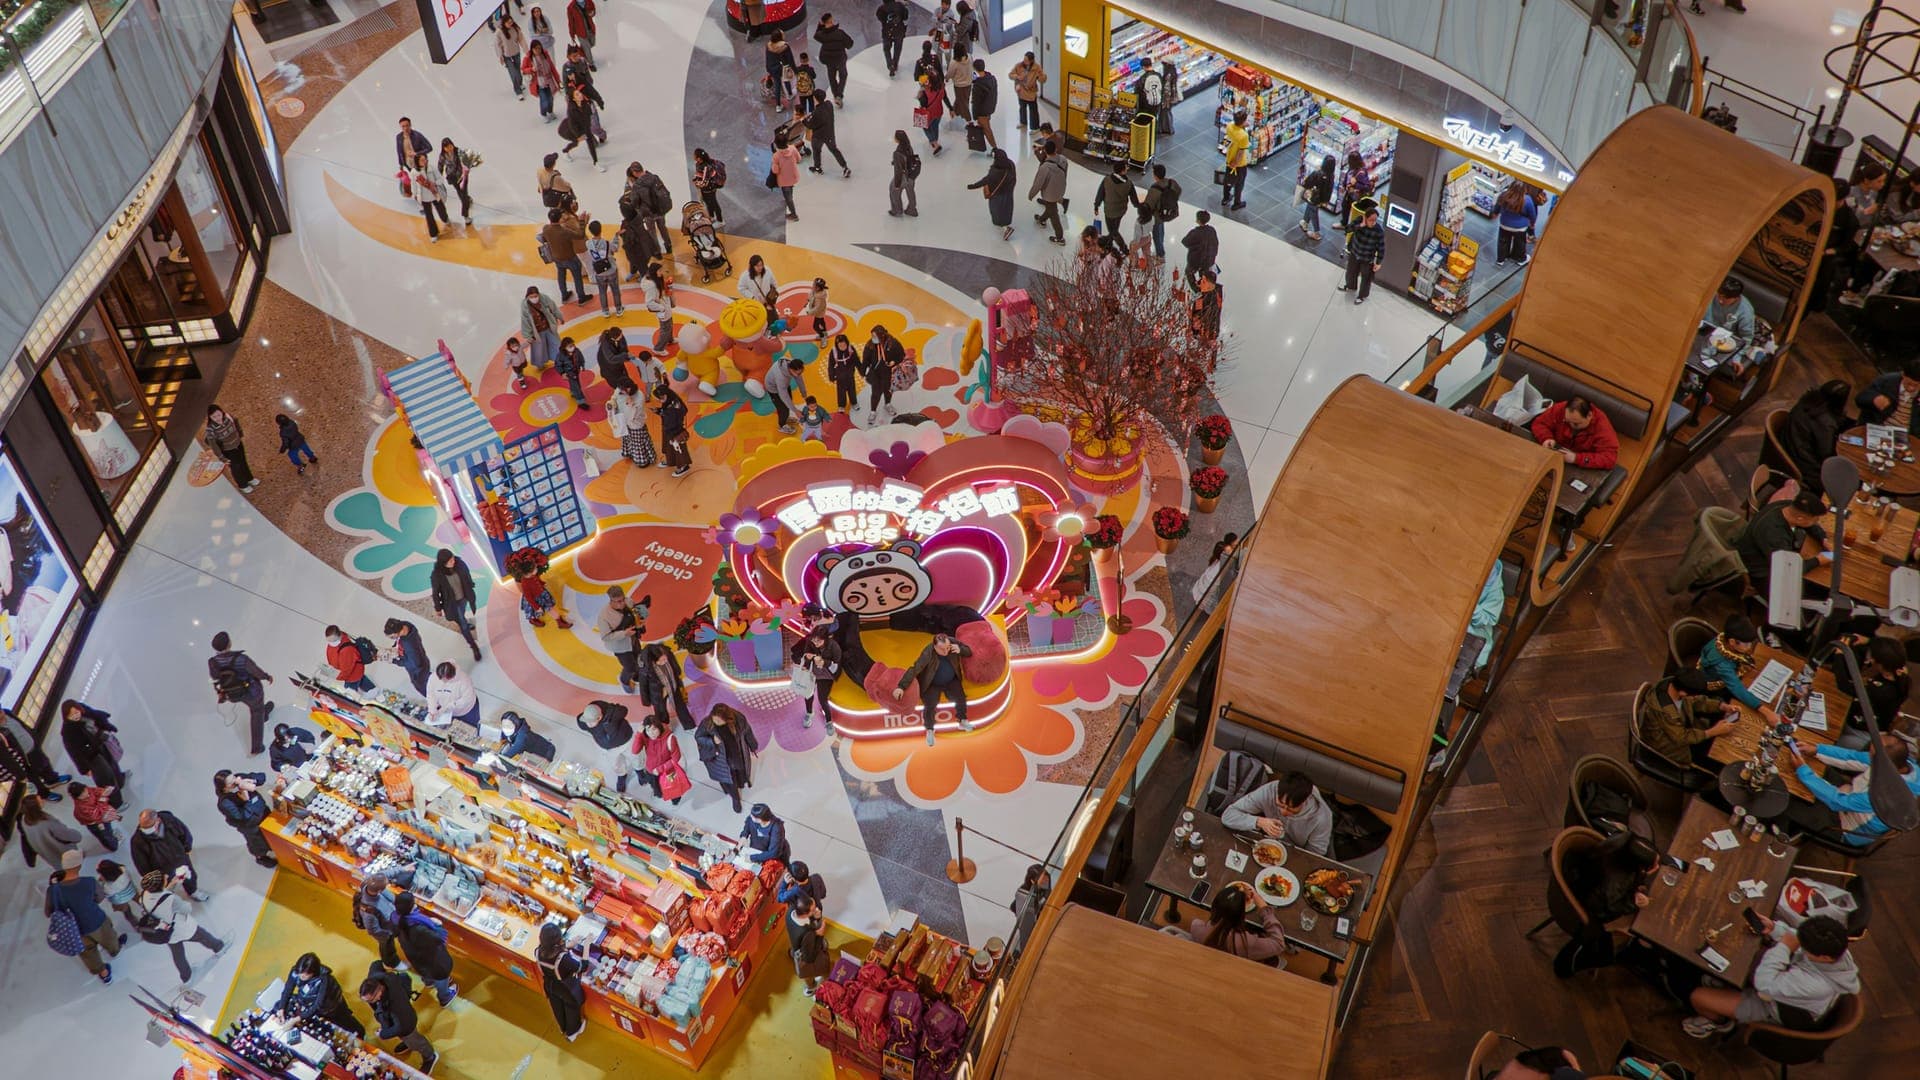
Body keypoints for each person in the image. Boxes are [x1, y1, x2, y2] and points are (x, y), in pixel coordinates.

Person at [1684, 914, 1858, 1037]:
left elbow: (1765, 983)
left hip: (1777, 1007)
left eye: (1806, 949)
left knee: (1698, 997)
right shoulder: (1837, 950)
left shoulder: (1816, 985)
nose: (1801, 947)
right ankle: (1726, 989)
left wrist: (1784, 947)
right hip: (1785, 988)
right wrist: (1775, 928)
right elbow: (1796, 937)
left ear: (1824, 958)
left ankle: (1719, 1023)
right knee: (1740, 957)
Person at [1787, 734, 1920, 845]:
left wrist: (1803, 771)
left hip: (1844, 826)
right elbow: (1852, 757)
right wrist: (1817, 750)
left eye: (1872, 754)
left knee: (1787, 802)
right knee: (1810, 771)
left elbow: (1837, 802)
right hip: (1848, 794)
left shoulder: (1884, 796)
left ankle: (1782, 838)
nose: (1868, 754)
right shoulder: (1903, 764)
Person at [136, 869, 226, 983]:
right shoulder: (171, 899)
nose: (166, 875)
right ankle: (219, 947)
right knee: (202, 935)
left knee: (177, 954)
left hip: (164, 931)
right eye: (163, 877)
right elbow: (186, 909)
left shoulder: (144, 895)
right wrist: (176, 896)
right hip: (179, 927)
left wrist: (172, 885)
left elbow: (159, 898)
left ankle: (186, 977)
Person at [47, 850, 123, 983]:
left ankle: (104, 973)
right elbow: (99, 898)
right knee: (109, 938)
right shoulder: (89, 882)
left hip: (74, 930)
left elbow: (48, 912)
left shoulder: (53, 890)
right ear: (78, 866)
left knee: (87, 952)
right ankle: (114, 950)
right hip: (96, 921)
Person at [1638, 668, 1739, 769]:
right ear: (1683, 694)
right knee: (1719, 762)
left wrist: (1721, 706)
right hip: (1670, 746)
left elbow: (1696, 701)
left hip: (1678, 729)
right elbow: (1681, 738)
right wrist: (1713, 731)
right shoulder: (1668, 712)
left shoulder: (1673, 683)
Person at [1733, 489, 1829, 592]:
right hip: (1761, 570)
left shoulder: (1787, 506)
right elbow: (1788, 568)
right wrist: (1819, 560)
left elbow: (1809, 524)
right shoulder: (1775, 534)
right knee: (1818, 590)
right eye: (1815, 519)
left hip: (1772, 552)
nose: (1817, 522)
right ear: (1800, 519)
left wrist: (1822, 538)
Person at [1697, 615, 1784, 723]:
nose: (1749, 647)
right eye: (1746, 643)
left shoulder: (1725, 641)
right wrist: (1767, 712)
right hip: (1716, 689)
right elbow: (1736, 688)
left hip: (1732, 675)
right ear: (1733, 642)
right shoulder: (1721, 664)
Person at [1221, 771, 1333, 855]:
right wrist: (1259, 821)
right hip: (1262, 845)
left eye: (1291, 809)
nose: (1283, 812)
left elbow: (1315, 855)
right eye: (1280, 804)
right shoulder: (1269, 791)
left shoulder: (1322, 817)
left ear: (1305, 801)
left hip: (1293, 854)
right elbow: (1228, 815)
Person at [895, 632, 973, 746]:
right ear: (935, 647)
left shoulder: (952, 642)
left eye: (947, 647)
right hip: (932, 682)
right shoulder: (928, 652)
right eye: (942, 649)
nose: (946, 651)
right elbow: (915, 668)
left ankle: (962, 720)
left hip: (951, 679)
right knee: (930, 705)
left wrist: (961, 649)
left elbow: (969, 651)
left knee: (960, 697)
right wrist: (901, 686)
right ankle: (930, 729)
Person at [1187, 879, 1289, 965]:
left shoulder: (1197, 927)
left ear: (1214, 907)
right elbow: (1279, 944)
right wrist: (1265, 910)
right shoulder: (1247, 942)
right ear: (1241, 914)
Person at [1836, 635, 1908, 748]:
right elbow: (1893, 650)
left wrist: (1839, 655)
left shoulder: (1881, 691)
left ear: (1878, 663)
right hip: (1862, 724)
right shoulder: (1900, 674)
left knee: (1827, 740)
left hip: (1861, 734)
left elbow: (1844, 686)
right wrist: (1869, 640)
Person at [209, 631, 274, 756]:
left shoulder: (213, 662)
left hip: (232, 694)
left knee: (256, 708)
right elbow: (256, 672)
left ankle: (264, 714)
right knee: (256, 711)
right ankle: (256, 747)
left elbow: (215, 677)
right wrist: (266, 677)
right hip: (251, 691)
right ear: (229, 644)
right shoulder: (241, 659)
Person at [1782, 380, 1854, 492]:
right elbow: (1825, 453)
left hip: (1788, 445)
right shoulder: (1825, 421)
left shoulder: (1808, 400)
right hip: (1802, 463)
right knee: (1843, 482)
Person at [360, 970, 437, 1073]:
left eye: (370, 1000)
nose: (369, 1003)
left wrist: (383, 1033)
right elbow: (376, 964)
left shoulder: (395, 1006)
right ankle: (408, 1043)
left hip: (407, 1025)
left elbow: (401, 1027)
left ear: (379, 992)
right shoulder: (377, 978)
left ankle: (430, 1056)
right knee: (408, 1039)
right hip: (401, 1018)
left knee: (415, 1041)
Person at [391, 891, 458, 1005]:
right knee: (441, 976)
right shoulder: (418, 928)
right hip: (432, 959)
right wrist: (437, 924)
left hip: (414, 955)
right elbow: (438, 938)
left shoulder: (395, 917)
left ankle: (429, 981)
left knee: (426, 972)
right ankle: (444, 996)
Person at [278, 953, 365, 1037]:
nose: (302, 976)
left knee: (346, 1023)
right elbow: (287, 990)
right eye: (300, 973)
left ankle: (361, 1034)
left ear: (313, 972)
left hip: (331, 1007)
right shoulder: (296, 972)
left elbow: (317, 1005)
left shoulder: (325, 980)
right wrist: (281, 1008)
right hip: (309, 1001)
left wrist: (296, 1019)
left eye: (305, 974)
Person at [131, 807, 208, 901]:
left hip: (180, 859)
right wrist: (153, 877)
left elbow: (184, 832)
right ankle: (170, 900)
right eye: (143, 827)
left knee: (190, 877)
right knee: (168, 887)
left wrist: (187, 848)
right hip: (162, 871)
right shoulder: (137, 841)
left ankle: (193, 891)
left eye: (148, 827)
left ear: (157, 820)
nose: (145, 830)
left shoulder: (169, 821)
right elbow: (141, 863)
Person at [696, 704, 760, 813]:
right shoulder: (707, 723)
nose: (716, 722)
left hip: (736, 752)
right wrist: (712, 741)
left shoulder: (739, 719)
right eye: (714, 719)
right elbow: (698, 737)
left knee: (739, 772)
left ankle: (739, 785)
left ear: (727, 719)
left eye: (719, 721)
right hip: (719, 757)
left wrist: (753, 746)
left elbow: (747, 732)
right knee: (727, 779)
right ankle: (735, 799)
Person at [1528, 395, 1620, 470]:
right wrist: (1546, 438)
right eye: (1567, 422)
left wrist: (1576, 458)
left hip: (1580, 464)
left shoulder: (1602, 427)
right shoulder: (1561, 409)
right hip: (1554, 453)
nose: (1571, 426)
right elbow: (1539, 423)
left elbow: (1609, 459)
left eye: (1576, 424)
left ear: (1589, 415)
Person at [1, 707, 70, 804]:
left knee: (44, 762)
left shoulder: (8, 713)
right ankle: (44, 794)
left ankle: (52, 779)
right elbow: (6, 756)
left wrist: (33, 736)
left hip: (32, 745)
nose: (1, 713)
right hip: (22, 757)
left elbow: (22, 725)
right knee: (33, 777)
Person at [59, 699, 124, 800]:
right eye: (71, 715)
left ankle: (120, 781)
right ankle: (115, 802)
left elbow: (96, 716)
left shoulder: (84, 711)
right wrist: (84, 769)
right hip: (90, 757)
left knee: (112, 764)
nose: (76, 716)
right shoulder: (68, 732)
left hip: (99, 745)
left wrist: (108, 727)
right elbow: (73, 752)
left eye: (76, 712)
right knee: (105, 778)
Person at [214, 769, 280, 868]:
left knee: (273, 835)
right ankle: (260, 857)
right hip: (251, 826)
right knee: (259, 843)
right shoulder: (225, 803)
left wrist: (251, 781)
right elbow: (241, 816)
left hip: (263, 813)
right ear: (224, 787)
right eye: (231, 782)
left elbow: (262, 777)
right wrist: (246, 801)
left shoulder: (239, 779)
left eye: (234, 778)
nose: (235, 782)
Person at [428, 549, 484, 662]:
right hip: (453, 603)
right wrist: (438, 608)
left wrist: (470, 584)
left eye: (453, 558)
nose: (453, 561)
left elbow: (466, 573)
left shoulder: (459, 564)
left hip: (464, 597)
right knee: (462, 622)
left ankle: (462, 622)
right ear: (443, 563)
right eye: (450, 561)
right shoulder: (437, 575)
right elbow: (436, 593)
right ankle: (473, 646)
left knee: (461, 615)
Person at [535, 922, 588, 1041]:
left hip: (549, 985)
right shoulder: (563, 958)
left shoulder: (538, 951)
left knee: (557, 1007)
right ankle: (573, 1032)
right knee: (571, 1007)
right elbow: (582, 967)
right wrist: (587, 944)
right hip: (565, 988)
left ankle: (562, 1028)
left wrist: (569, 945)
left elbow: (552, 955)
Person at [596, 585, 648, 692]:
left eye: (623, 599)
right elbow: (606, 637)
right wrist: (624, 633)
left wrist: (640, 621)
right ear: (611, 601)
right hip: (620, 647)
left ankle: (637, 676)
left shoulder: (628, 602)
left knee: (639, 658)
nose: (623, 603)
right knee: (629, 668)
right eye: (619, 601)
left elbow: (635, 614)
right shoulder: (604, 616)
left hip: (633, 640)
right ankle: (624, 680)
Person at [1854, 357, 1920, 431]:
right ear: (1903, 375)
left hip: (1907, 434)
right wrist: (1874, 398)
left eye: (1917, 385)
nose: (1912, 388)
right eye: (1908, 384)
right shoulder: (1887, 380)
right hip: (1880, 428)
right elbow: (1859, 399)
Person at [634, 717, 690, 804]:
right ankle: (659, 794)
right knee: (656, 788)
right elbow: (635, 750)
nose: (651, 733)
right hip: (651, 770)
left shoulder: (670, 738)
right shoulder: (645, 736)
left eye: (654, 729)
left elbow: (676, 758)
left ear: (659, 727)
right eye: (648, 730)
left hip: (667, 771)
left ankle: (675, 800)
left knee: (673, 789)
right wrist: (638, 733)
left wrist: (660, 769)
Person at [354, 873, 403, 971]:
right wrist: (388, 934)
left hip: (390, 922)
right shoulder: (369, 911)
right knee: (387, 946)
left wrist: (402, 869)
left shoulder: (369, 883)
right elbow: (373, 930)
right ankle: (391, 962)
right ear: (379, 890)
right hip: (384, 931)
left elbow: (385, 872)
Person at [638, 643, 694, 729]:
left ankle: (689, 726)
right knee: (661, 712)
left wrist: (678, 673)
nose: (665, 662)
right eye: (661, 661)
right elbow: (643, 685)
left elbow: (674, 664)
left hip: (673, 684)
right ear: (653, 661)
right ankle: (664, 728)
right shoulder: (645, 668)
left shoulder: (667, 653)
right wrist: (646, 700)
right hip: (658, 693)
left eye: (665, 659)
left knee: (681, 706)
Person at [1337, 205, 1385, 304]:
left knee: (1366, 278)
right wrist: (1360, 226)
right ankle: (1350, 286)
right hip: (1355, 253)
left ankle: (1362, 296)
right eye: (1371, 220)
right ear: (1365, 218)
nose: (1373, 222)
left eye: (1375, 220)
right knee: (1351, 272)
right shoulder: (1359, 221)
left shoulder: (1378, 230)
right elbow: (1347, 229)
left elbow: (1381, 247)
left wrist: (1379, 262)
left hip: (1367, 258)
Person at [18, 794, 82, 867]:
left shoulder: (25, 820)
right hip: (63, 851)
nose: (43, 800)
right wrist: (77, 836)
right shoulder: (47, 823)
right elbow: (64, 834)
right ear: (35, 807)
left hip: (48, 852)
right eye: (40, 801)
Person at [205, 404, 257, 493]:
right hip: (228, 451)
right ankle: (242, 485)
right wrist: (221, 457)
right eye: (214, 417)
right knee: (236, 468)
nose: (217, 418)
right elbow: (214, 445)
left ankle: (249, 478)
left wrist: (240, 434)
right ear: (210, 417)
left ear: (221, 412)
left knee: (243, 462)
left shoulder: (228, 417)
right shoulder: (211, 430)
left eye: (218, 415)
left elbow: (236, 422)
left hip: (238, 444)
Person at [788, 893, 832, 995]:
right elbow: (810, 957)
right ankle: (811, 987)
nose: (816, 910)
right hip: (805, 955)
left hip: (795, 945)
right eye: (813, 910)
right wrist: (820, 934)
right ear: (805, 913)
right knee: (808, 972)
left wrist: (815, 918)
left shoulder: (790, 912)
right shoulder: (807, 933)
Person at [969, 148, 1017, 241]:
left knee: (997, 212)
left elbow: (985, 181)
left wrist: (972, 186)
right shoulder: (1010, 164)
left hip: (997, 195)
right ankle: (1006, 224)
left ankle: (1006, 229)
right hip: (1008, 192)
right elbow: (1014, 177)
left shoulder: (995, 172)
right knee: (1006, 210)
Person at [543, 206, 588, 303]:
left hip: (557, 258)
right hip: (570, 257)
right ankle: (581, 297)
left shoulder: (546, 229)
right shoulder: (564, 231)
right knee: (577, 277)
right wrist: (581, 221)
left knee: (561, 276)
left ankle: (564, 295)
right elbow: (580, 235)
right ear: (560, 218)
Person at [1703, 275, 1757, 355]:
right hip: (1704, 332)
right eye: (1719, 296)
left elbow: (1747, 337)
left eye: (1725, 298)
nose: (1720, 301)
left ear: (1736, 298)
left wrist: (1738, 355)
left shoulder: (1746, 311)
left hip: (1725, 343)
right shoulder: (1712, 292)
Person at [861, 326, 904, 425]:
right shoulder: (870, 345)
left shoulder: (892, 343)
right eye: (872, 335)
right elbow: (865, 360)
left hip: (888, 372)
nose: (872, 338)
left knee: (888, 390)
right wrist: (863, 372)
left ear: (882, 335)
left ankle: (887, 404)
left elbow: (901, 354)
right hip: (875, 373)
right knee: (876, 393)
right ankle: (873, 411)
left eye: (875, 336)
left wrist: (894, 362)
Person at [1139, 163, 1180, 260]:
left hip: (1157, 216)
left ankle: (1160, 255)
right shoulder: (1171, 182)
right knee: (1161, 230)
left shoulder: (1154, 188)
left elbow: (1148, 205)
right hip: (1169, 212)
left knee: (1157, 236)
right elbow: (1178, 191)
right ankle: (1161, 247)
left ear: (1155, 175)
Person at [611, 383, 657, 468]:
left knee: (638, 443)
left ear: (628, 389)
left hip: (635, 424)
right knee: (627, 438)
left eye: (623, 391)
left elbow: (633, 416)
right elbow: (615, 394)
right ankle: (629, 453)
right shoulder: (620, 389)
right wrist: (612, 401)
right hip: (624, 421)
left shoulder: (639, 397)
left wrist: (630, 404)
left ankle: (643, 461)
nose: (620, 392)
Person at [1028, 144, 1067, 244]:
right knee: (1051, 209)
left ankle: (1060, 238)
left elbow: (1038, 183)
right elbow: (1065, 174)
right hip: (1060, 189)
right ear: (1056, 149)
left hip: (1050, 194)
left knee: (1054, 214)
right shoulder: (1063, 159)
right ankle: (1042, 219)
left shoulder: (1045, 167)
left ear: (1045, 151)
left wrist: (1031, 194)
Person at [424, 662, 481, 730]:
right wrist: (432, 710)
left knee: (472, 729)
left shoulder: (464, 680)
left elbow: (466, 700)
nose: (443, 682)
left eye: (446, 680)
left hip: (466, 711)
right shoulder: (433, 678)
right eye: (441, 679)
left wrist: (445, 708)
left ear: (452, 676)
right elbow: (431, 694)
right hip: (448, 712)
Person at [383, 618, 432, 695]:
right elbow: (399, 640)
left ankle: (433, 699)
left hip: (418, 671)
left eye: (392, 637)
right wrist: (395, 647)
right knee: (427, 677)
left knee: (421, 685)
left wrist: (393, 661)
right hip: (423, 661)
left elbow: (414, 664)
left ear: (398, 632)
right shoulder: (406, 625)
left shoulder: (410, 646)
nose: (393, 638)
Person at [521, 286, 565, 373]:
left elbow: (554, 308)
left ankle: (560, 361)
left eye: (536, 296)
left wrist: (560, 317)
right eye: (531, 297)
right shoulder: (525, 307)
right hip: (537, 332)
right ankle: (539, 364)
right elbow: (525, 321)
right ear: (527, 296)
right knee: (539, 350)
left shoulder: (544, 299)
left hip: (548, 327)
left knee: (556, 344)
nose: (534, 298)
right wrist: (528, 335)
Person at [655, 380, 693, 478]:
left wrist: (666, 414)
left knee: (679, 448)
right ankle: (670, 460)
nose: (661, 400)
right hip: (667, 427)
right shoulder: (668, 401)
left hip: (676, 429)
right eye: (659, 398)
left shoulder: (675, 403)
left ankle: (683, 466)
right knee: (668, 446)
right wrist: (660, 411)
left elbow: (681, 412)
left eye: (662, 397)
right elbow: (667, 412)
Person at [68, 779, 121, 850]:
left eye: (84, 790)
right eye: (82, 794)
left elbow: (95, 791)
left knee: (108, 830)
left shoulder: (87, 790)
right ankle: (113, 846)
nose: (86, 793)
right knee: (105, 836)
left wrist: (104, 792)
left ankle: (111, 835)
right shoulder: (82, 808)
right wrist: (103, 798)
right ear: (77, 797)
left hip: (102, 816)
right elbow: (98, 814)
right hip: (95, 823)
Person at [813, 12, 853, 105]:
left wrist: (820, 26)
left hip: (828, 60)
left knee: (832, 77)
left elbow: (816, 35)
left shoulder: (821, 35)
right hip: (840, 59)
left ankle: (836, 96)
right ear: (831, 20)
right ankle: (839, 95)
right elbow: (850, 44)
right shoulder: (840, 33)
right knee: (843, 75)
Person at [409, 152, 450, 242]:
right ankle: (433, 233)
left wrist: (434, 183)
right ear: (417, 161)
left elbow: (440, 179)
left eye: (425, 159)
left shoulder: (432, 168)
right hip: (424, 197)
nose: (424, 161)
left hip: (435, 194)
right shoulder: (414, 172)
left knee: (441, 209)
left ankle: (445, 218)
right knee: (429, 216)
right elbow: (413, 184)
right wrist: (414, 194)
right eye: (422, 160)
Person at [1494, 182, 1538, 266]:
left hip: (1504, 224)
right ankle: (1520, 259)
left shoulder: (1504, 195)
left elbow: (1497, 207)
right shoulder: (1527, 200)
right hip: (1520, 227)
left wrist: (1495, 213)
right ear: (1524, 190)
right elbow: (1532, 215)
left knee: (1503, 241)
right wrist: (1532, 223)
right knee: (1520, 243)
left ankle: (1501, 259)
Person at [1093, 160, 1137, 241]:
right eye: (1126, 167)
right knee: (1114, 230)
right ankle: (1117, 246)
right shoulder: (1129, 184)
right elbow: (1134, 200)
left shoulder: (1106, 180)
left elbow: (1100, 194)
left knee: (1112, 230)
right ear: (1122, 171)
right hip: (1121, 211)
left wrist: (1096, 205)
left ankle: (1112, 244)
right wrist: (1140, 207)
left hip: (1108, 209)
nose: (1127, 168)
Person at [1010, 864, 1051, 948]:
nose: (1045, 881)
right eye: (1042, 880)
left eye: (1046, 878)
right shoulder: (1024, 894)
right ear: (1032, 881)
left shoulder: (1044, 889)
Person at [324, 625, 375, 692]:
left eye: (333, 641)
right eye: (329, 641)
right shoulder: (338, 640)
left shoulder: (347, 650)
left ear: (339, 636)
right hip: (356, 669)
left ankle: (369, 693)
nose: (330, 643)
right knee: (361, 679)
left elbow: (346, 672)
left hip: (352, 675)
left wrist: (334, 675)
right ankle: (372, 689)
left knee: (351, 689)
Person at [523, 38, 562, 121]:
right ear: (532, 49)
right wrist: (531, 69)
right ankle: (544, 114)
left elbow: (552, 67)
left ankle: (550, 111)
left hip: (549, 81)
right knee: (544, 100)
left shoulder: (545, 55)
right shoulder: (528, 58)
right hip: (539, 83)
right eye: (535, 48)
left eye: (539, 48)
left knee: (550, 98)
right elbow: (523, 69)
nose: (538, 50)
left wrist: (558, 79)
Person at [766, 355, 807, 433]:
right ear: (791, 370)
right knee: (783, 408)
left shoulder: (794, 365)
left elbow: (799, 379)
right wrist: (796, 411)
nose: (799, 375)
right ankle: (782, 426)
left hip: (785, 385)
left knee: (788, 403)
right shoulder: (781, 377)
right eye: (798, 373)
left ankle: (786, 418)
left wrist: (804, 394)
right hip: (773, 389)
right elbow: (784, 396)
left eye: (801, 372)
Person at [641, 260, 675, 350]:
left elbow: (662, 290)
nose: (661, 272)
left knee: (670, 324)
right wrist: (662, 308)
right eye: (659, 271)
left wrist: (667, 285)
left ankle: (670, 339)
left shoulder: (656, 279)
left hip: (665, 305)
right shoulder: (652, 286)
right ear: (654, 272)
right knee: (665, 328)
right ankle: (658, 349)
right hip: (663, 309)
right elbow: (649, 302)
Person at [1220, 109, 1250, 210]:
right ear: (1242, 122)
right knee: (1239, 183)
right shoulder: (1243, 136)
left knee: (1228, 179)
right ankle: (1237, 203)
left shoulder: (1230, 125)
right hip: (1239, 164)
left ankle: (1226, 198)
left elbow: (1227, 138)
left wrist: (1223, 147)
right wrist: (1236, 163)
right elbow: (1241, 152)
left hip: (1229, 158)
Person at [1301, 155, 1335, 242]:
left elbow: (1307, 183)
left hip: (1314, 197)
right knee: (1310, 207)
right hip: (1323, 197)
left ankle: (1317, 233)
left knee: (1313, 213)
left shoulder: (1318, 173)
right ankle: (1305, 222)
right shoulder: (1331, 175)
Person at [1336, 150, 1374, 231]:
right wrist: (1344, 184)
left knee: (1348, 208)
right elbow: (1348, 176)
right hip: (1349, 193)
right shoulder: (1352, 168)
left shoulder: (1361, 173)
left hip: (1355, 195)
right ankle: (1345, 223)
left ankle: (1348, 225)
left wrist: (1355, 184)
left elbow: (1366, 186)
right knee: (1345, 206)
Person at [691, 147, 728, 228]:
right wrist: (695, 179)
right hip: (705, 188)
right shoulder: (698, 163)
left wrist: (697, 183)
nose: (693, 156)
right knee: (707, 202)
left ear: (699, 158)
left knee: (714, 203)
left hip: (710, 188)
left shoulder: (706, 167)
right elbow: (698, 174)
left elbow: (705, 181)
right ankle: (712, 217)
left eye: (694, 155)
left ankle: (720, 220)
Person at [1182, 210, 1219, 288]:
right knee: (1204, 274)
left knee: (1188, 272)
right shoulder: (1212, 230)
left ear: (1198, 220)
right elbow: (1216, 242)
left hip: (1196, 261)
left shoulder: (1195, 232)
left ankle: (1196, 289)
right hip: (1209, 259)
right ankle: (1204, 286)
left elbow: (1185, 242)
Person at [493, 15, 527, 98]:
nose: (510, 24)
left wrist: (526, 51)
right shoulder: (499, 32)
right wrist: (500, 56)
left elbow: (521, 39)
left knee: (518, 71)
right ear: (504, 23)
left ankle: (520, 83)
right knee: (513, 74)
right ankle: (518, 91)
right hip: (507, 56)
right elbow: (497, 45)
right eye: (508, 23)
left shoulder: (515, 28)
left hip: (516, 53)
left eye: (511, 22)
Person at [1010, 51, 1046, 130]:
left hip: (1031, 92)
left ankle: (1035, 127)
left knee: (1033, 110)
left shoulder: (1036, 68)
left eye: (1026, 60)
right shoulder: (1019, 65)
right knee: (1022, 108)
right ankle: (1023, 122)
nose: (1024, 61)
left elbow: (1042, 79)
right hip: (1021, 91)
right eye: (1024, 59)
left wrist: (1041, 77)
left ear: (1031, 60)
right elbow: (1010, 75)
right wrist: (1017, 76)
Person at [771, 133, 803, 221]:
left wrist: (774, 164)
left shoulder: (776, 156)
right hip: (793, 176)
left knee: (788, 198)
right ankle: (790, 202)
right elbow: (799, 159)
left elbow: (775, 170)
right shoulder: (793, 148)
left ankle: (794, 215)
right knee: (790, 191)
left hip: (784, 181)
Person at [889, 130, 920, 218]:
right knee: (910, 191)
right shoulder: (909, 146)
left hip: (903, 176)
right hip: (911, 175)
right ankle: (912, 209)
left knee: (893, 191)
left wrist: (897, 184)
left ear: (897, 139)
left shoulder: (897, 153)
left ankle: (897, 210)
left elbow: (898, 170)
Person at [969, 57, 999, 149]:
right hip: (990, 107)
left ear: (975, 69)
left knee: (987, 129)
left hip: (982, 111)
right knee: (985, 126)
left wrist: (974, 116)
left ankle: (995, 149)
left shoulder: (977, 85)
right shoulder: (992, 78)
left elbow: (976, 102)